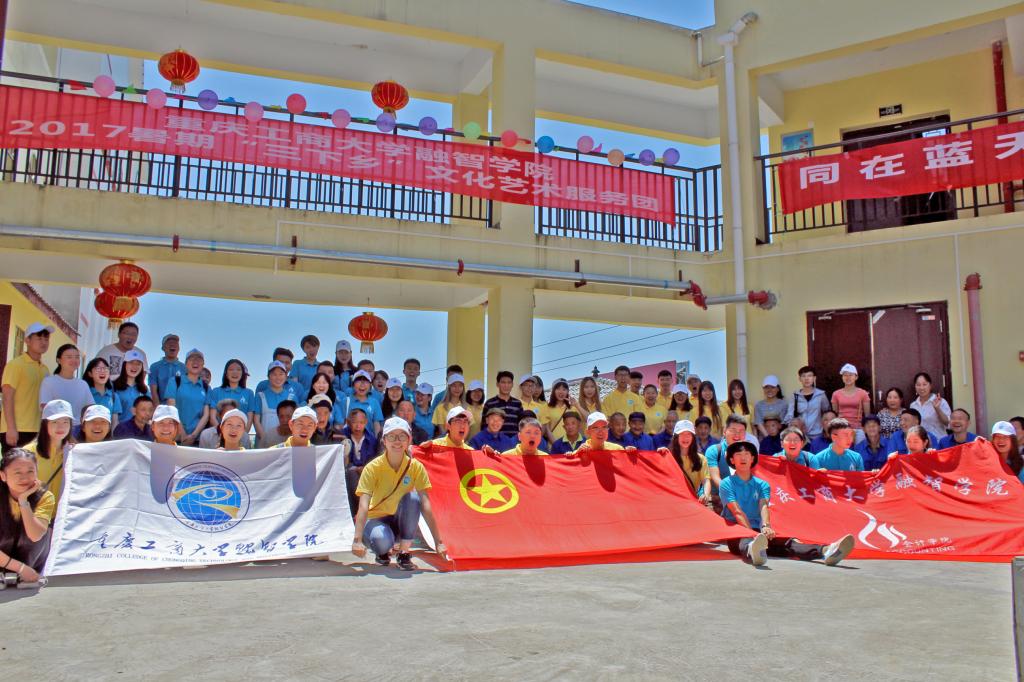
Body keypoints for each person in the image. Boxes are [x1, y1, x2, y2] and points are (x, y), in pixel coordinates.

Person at [720, 441, 854, 568]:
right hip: (738, 531)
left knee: (788, 543)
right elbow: (737, 512)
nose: (743, 458)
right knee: (746, 542)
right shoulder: (726, 483)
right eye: (738, 454)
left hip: (758, 532)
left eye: (746, 454)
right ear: (732, 460)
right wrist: (750, 534)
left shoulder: (762, 484)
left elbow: (764, 506)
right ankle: (753, 551)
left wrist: (766, 527)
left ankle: (827, 551)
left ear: (752, 458)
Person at [351, 416, 446, 570]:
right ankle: (382, 551)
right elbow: (363, 505)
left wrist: (438, 542)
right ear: (384, 440)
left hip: (400, 520)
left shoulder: (416, 467)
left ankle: (404, 552)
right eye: (391, 436)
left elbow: (426, 505)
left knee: (413, 498)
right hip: (376, 519)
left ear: (409, 440)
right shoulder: (372, 468)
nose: (397, 441)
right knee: (382, 542)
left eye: (402, 436)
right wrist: (357, 540)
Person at [0, 448, 54, 585]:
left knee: (43, 530)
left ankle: (28, 573)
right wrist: (19, 568)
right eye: (17, 472)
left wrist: (23, 500)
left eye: (30, 471)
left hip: (29, 558)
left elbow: (35, 535)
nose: (24, 478)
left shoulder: (45, 497)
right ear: (3, 476)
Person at [2, 322, 52, 452]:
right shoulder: (15, 365)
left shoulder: (45, 369)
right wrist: (11, 428)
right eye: (39, 338)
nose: (44, 342)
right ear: (27, 340)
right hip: (17, 429)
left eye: (46, 339)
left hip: (37, 430)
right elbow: (7, 397)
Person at [24, 400, 73, 502]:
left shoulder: (73, 452)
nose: (61, 427)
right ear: (45, 424)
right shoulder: (28, 452)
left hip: (63, 511)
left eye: (65, 422)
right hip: (36, 510)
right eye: (55, 422)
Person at [39, 343, 93, 427]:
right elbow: (45, 408)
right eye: (69, 357)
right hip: (57, 429)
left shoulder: (83, 384)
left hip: (79, 429)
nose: (74, 360)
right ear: (58, 360)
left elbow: (90, 407)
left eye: (77, 357)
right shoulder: (49, 382)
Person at [659, 420, 711, 506]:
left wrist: (705, 495)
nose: (685, 438)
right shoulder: (668, 457)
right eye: (682, 434)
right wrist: (659, 456)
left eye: (688, 434)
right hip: (671, 502)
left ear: (693, 437)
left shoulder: (701, 459)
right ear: (676, 437)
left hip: (691, 502)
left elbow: (706, 481)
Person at [164, 349, 209, 446]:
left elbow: (206, 415)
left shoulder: (206, 387)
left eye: (199, 359)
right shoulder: (175, 381)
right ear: (186, 364)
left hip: (197, 440)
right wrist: (182, 433)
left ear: (203, 365)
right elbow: (171, 408)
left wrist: (194, 435)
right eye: (191, 359)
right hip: (175, 437)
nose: (195, 362)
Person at [254, 361, 302, 448]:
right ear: (268, 377)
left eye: (281, 374)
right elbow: (256, 421)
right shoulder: (260, 396)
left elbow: (296, 421)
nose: (278, 377)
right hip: (264, 444)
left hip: (287, 445)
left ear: (286, 376)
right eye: (274, 374)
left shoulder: (292, 397)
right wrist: (266, 439)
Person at [342, 408, 378, 515]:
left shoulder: (371, 439)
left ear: (366, 422)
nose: (358, 426)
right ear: (348, 422)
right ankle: (359, 512)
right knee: (352, 475)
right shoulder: (342, 436)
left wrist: (365, 468)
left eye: (361, 423)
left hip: (366, 471)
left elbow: (374, 460)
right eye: (354, 422)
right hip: (348, 471)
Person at [208, 360, 256, 436]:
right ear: (226, 374)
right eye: (231, 369)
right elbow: (212, 417)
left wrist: (242, 435)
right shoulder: (216, 391)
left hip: (241, 436)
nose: (235, 372)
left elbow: (250, 418)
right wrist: (222, 434)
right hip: (218, 435)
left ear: (242, 374)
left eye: (238, 369)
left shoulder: (249, 393)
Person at [704, 413, 750, 493]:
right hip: (717, 497)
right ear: (724, 431)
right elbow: (716, 478)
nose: (737, 434)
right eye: (733, 430)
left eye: (741, 431)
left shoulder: (749, 452)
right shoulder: (713, 451)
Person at [784, 366, 831, 444]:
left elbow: (826, 413)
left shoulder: (821, 394)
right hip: (800, 433)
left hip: (818, 433)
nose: (806, 379)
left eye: (809, 376)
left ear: (814, 378)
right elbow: (790, 414)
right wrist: (792, 428)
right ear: (799, 379)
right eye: (803, 376)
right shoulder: (795, 395)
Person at [830, 364, 871, 437]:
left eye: (850, 375)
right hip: (841, 428)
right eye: (845, 375)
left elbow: (867, 415)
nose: (848, 377)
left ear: (856, 377)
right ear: (842, 377)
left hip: (858, 429)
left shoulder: (863, 393)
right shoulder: (836, 394)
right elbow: (835, 414)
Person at [569, 412, 637, 455]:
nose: (601, 431)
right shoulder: (580, 452)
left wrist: (630, 454)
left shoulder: (617, 449)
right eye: (595, 428)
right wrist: (575, 455)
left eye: (604, 427)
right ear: (588, 432)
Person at [112, 349, 149, 426]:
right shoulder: (113, 386)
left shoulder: (144, 390)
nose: (134, 366)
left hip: (140, 431)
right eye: (131, 362)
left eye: (138, 364)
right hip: (120, 430)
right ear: (124, 365)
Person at [83, 357, 121, 430]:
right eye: (98, 369)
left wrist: (112, 436)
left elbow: (114, 421)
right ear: (90, 374)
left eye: (106, 369)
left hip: (106, 435)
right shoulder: (85, 393)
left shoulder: (114, 396)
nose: (102, 371)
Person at [909, 372, 951, 439]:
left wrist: (937, 408)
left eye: (924, 384)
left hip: (939, 440)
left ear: (930, 386)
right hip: (920, 442)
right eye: (918, 385)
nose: (921, 388)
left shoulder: (940, 401)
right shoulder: (913, 405)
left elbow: (948, 423)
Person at [482, 371, 524, 437]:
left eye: (509, 382)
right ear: (497, 384)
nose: (506, 385)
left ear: (512, 384)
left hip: (514, 442)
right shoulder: (489, 403)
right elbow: (484, 426)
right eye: (503, 382)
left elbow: (522, 425)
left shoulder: (518, 403)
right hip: (494, 441)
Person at [148, 334, 186, 405]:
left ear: (179, 348)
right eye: (169, 343)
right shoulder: (154, 367)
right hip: (161, 406)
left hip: (181, 407)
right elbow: (153, 391)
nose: (173, 345)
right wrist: (158, 408)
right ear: (163, 348)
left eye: (175, 343)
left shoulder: (185, 368)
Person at [540, 378, 577, 444]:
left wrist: (577, 405)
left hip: (571, 446)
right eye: (558, 389)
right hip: (553, 446)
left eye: (564, 389)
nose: (561, 392)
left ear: (567, 392)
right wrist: (557, 445)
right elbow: (547, 430)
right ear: (553, 391)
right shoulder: (546, 407)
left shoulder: (573, 408)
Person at [348, 370, 385, 437]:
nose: (362, 384)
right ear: (353, 385)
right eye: (358, 380)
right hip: (350, 440)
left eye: (366, 381)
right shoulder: (346, 401)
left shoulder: (374, 402)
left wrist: (377, 441)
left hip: (369, 441)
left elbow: (376, 423)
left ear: (370, 385)